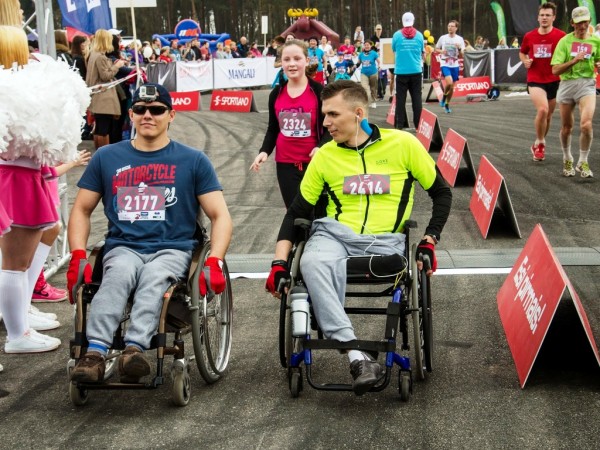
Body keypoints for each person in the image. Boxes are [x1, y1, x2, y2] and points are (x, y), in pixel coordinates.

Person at [265, 80, 452, 396]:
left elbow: (442, 193)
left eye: (333, 115)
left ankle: (352, 350)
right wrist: (279, 263)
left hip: (386, 241)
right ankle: (357, 356)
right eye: (324, 114)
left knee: (320, 263)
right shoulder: (325, 155)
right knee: (310, 261)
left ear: (358, 113)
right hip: (334, 236)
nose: (325, 123)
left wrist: (429, 240)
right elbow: (296, 212)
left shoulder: (403, 145)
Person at [68, 83, 233, 383]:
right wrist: (78, 255)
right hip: (124, 246)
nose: (148, 115)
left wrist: (215, 261)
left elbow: (220, 215)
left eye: (157, 110)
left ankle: (134, 349)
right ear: (130, 114)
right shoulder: (106, 158)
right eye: (140, 109)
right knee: (116, 276)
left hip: (173, 247)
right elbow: (81, 209)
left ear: (171, 115)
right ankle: (95, 352)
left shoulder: (193, 160)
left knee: (154, 277)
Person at [0, 25, 90, 354]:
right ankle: (17, 334)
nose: (30, 53)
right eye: (23, 47)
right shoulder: (9, 88)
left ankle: (20, 319)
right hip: (14, 178)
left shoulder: (17, 85)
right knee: (14, 262)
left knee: (21, 259)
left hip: (25, 175)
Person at [250, 40, 331, 209]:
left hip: (314, 163)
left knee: (317, 213)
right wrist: (264, 151)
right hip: (285, 164)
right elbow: (273, 128)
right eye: (286, 59)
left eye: (297, 58)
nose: (291, 64)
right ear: (281, 63)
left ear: (306, 61)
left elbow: (331, 127)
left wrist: (320, 147)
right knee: (295, 212)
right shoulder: (276, 93)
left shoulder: (319, 92)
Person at [551, 5, 600, 178]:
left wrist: (598, 64)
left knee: (586, 124)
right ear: (572, 23)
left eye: (585, 22)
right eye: (579, 23)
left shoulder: (595, 41)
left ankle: (583, 161)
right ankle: (567, 158)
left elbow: (598, 59)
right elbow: (555, 70)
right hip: (567, 85)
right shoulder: (565, 42)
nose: (582, 26)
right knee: (567, 128)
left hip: (587, 84)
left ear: (590, 21)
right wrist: (573, 61)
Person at [519, 2, 565, 162]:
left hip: (554, 79)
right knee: (543, 110)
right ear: (538, 17)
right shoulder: (529, 36)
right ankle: (540, 143)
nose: (544, 18)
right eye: (542, 15)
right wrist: (525, 61)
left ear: (554, 17)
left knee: (548, 116)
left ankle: (537, 143)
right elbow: (522, 53)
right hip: (535, 78)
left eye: (548, 15)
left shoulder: (561, 36)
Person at [86, 29, 126, 150]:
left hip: (98, 96)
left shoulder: (93, 54)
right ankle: (104, 155)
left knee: (99, 129)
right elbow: (105, 76)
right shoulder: (100, 57)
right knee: (104, 130)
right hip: (103, 98)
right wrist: (116, 66)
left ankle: (99, 153)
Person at [392, 11, 425, 129]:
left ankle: (399, 125)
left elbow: (394, 50)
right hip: (416, 70)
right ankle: (418, 125)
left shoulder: (396, 35)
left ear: (402, 21)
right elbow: (422, 52)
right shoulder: (419, 35)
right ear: (413, 21)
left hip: (401, 71)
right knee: (417, 99)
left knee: (400, 99)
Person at [435, 20, 465, 114]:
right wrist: (442, 51)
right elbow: (436, 48)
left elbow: (462, 55)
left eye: (452, 26)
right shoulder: (443, 38)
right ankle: (444, 98)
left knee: (452, 87)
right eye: (449, 26)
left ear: (456, 28)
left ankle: (447, 104)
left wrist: (459, 48)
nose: (450, 28)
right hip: (445, 63)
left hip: (455, 64)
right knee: (449, 82)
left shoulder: (460, 39)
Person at [358, 40, 380, 108]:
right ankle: (366, 101)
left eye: (368, 45)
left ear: (370, 46)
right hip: (364, 73)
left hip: (373, 73)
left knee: (373, 88)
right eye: (365, 45)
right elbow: (358, 63)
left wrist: (379, 66)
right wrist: (354, 66)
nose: (366, 46)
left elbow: (379, 61)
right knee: (364, 87)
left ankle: (373, 101)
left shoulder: (374, 53)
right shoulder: (361, 54)